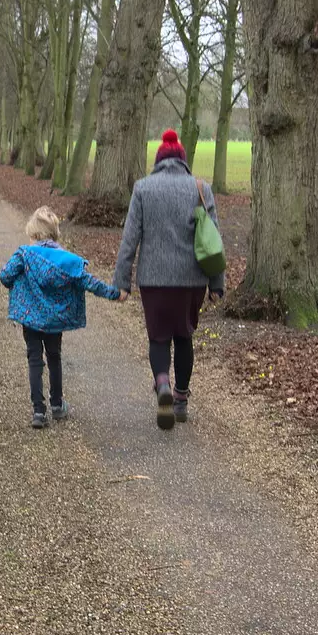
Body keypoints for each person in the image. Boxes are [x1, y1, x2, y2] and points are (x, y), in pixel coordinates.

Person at [114, 129, 224, 429]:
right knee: (184, 336)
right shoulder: (201, 188)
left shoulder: (143, 188)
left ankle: (162, 382)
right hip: (192, 280)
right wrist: (217, 283)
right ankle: (180, 400)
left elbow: (130, 238)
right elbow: (213, 240)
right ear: (183, 161)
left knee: (159, 337)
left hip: (154, 279)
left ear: (159, 160)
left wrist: (121, 281)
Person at [0, 207, 122, 428]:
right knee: (54, 356)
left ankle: (38, 411)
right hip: (55, 320)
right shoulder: (68, 261)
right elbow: (90, 283)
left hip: (31, 317)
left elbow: (5, 276)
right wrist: (115, 294)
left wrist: (20, 281)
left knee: (34, 359)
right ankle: (57, 405)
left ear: (34, 234)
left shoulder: (24, 255)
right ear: (54, 232)